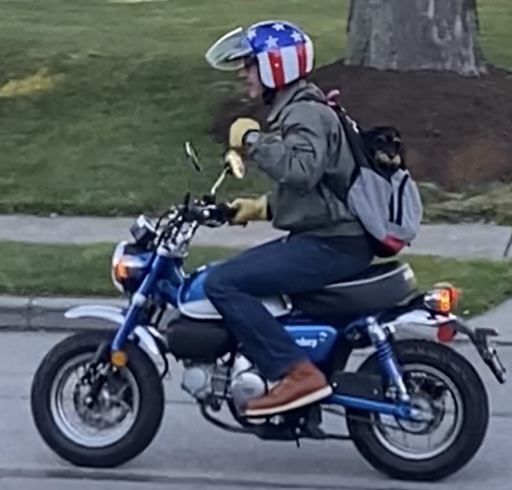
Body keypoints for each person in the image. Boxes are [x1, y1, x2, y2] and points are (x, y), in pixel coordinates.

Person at [203, 20, 375, 418]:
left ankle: (297, 374)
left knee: (223, 282)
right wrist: (260, 208)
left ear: (274, 66)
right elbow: (318, 190)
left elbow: (301, 171)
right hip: (330, 236)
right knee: (240, 277)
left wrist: (252, 140)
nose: (243, 73)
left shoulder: (305, 113)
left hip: (333, 244)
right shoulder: (302, 110)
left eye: (249, 64)